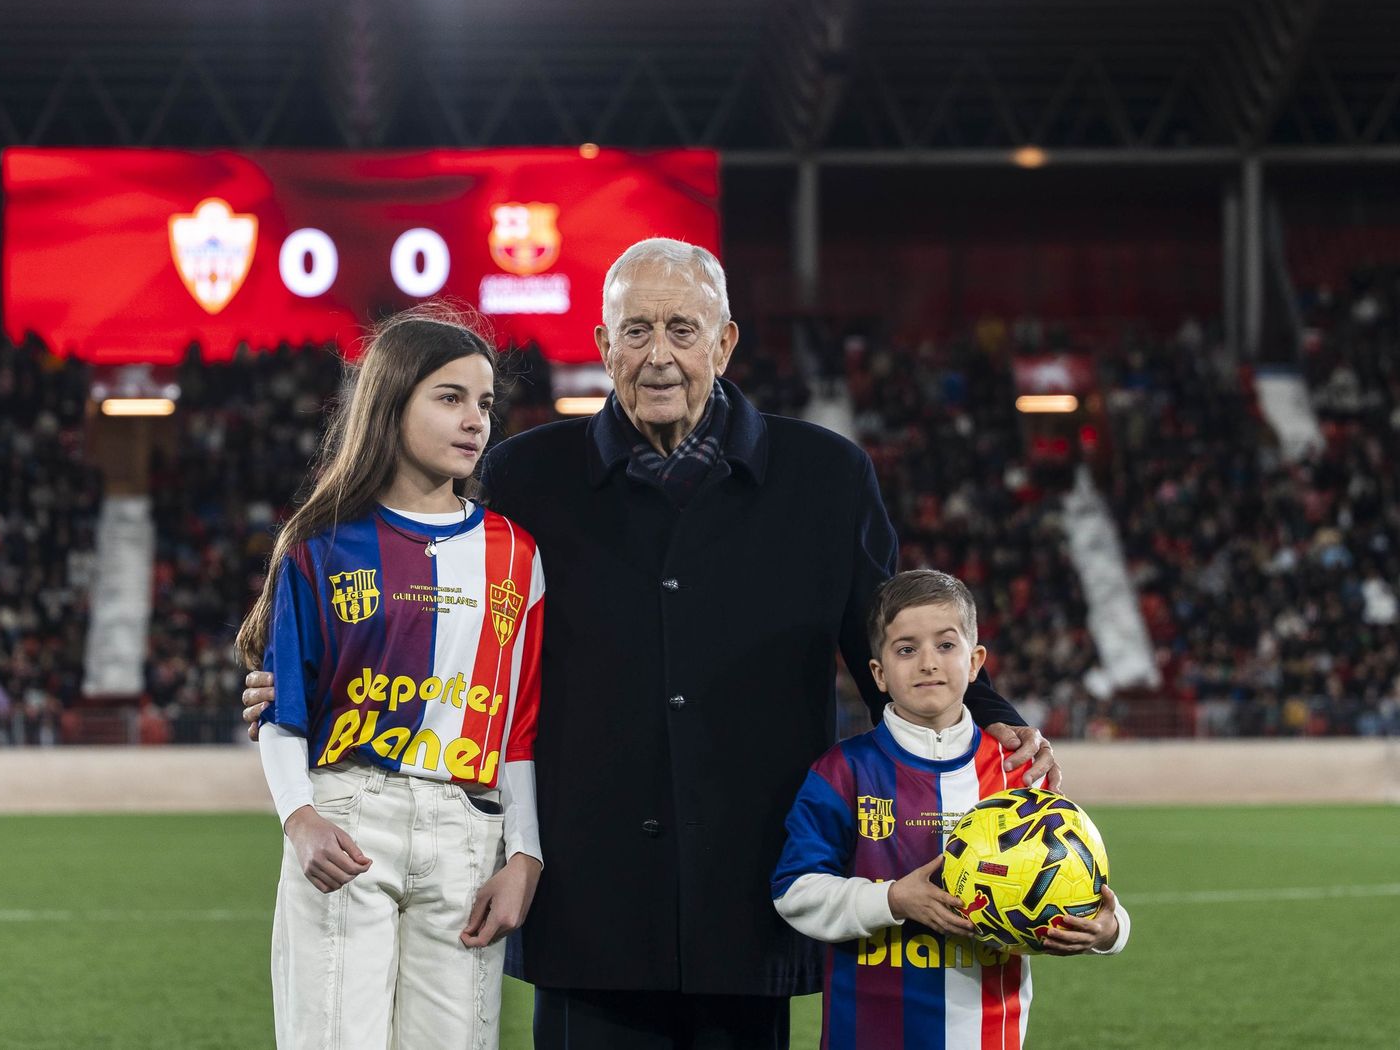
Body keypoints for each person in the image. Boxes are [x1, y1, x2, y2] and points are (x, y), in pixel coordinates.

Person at [243, 239, 1059, 1049]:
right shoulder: (525, 476)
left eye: (682, 329)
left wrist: (990, 717)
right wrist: (303, 680)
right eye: (636, 331)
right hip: (588, 904)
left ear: (725, 343)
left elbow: (889, 643)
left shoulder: (825, 477)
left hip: (749, 894)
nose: (659, 356)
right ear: (604, 346)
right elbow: (436, 601)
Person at [235, 307, 546, 1050]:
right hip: (347, 817)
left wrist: (526, 854)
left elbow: (519, 723)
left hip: (469, 833)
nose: (474, 420)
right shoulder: (320, 545)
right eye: (450, 397)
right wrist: (299, 819)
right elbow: (283, 708)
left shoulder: (516, 553)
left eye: (484, 403)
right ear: (391, 402)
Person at [771, 570, 1129, 1048]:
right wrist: (892, 900)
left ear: (975, 661)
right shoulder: (843, 771)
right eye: (905, 649)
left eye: (945, 645)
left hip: (988, 1036)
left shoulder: (1020, 772)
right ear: (878, 673)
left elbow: (1083, 883)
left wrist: (1109, 930)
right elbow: (794, 891)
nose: (927, 663)